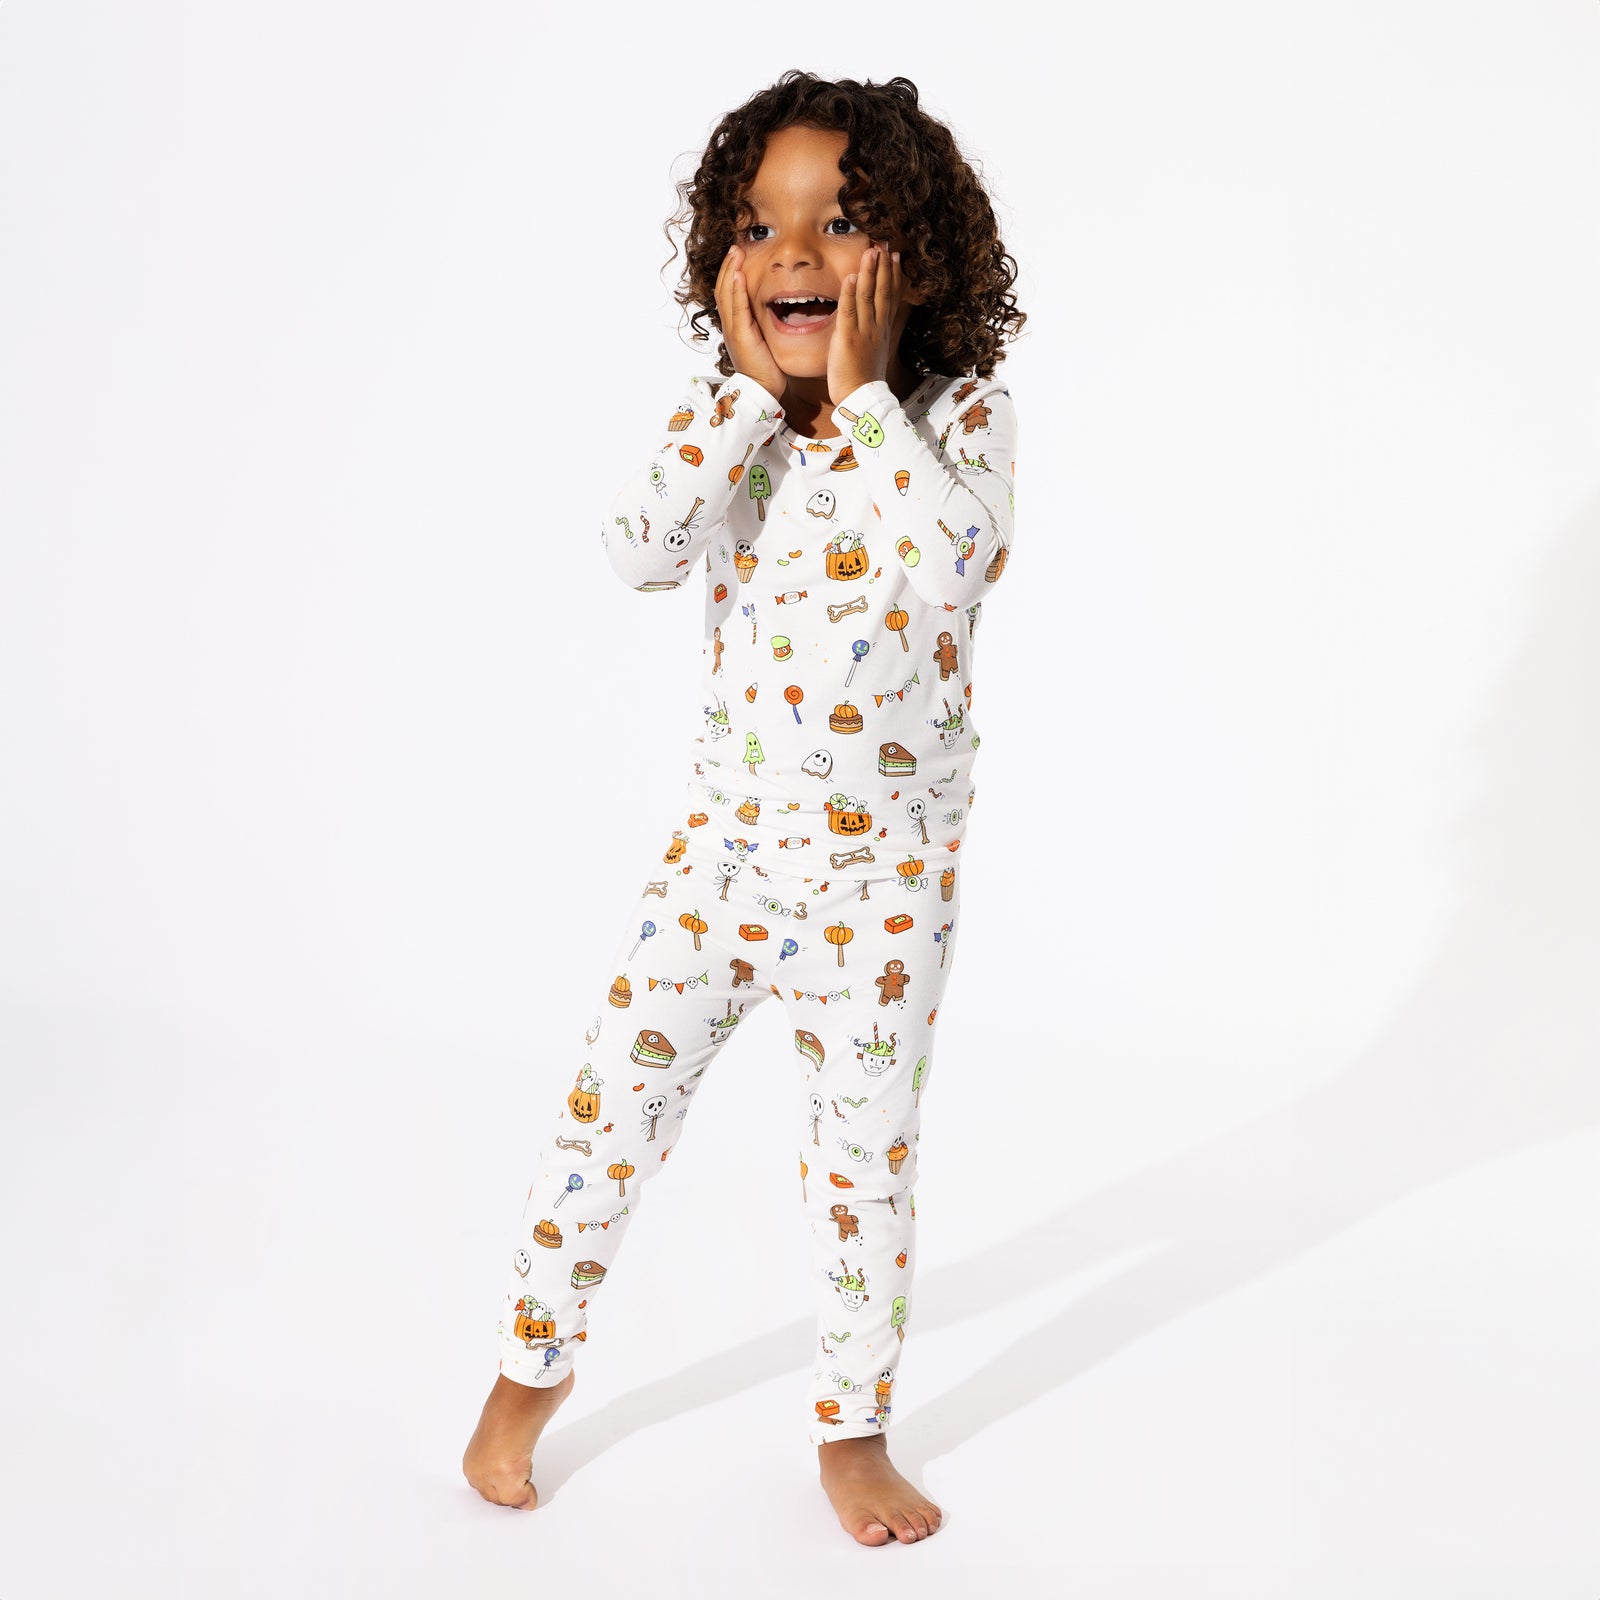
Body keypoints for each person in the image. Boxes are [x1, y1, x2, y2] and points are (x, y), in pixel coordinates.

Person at [462, 70, 1025, 1546]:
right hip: (720, 869)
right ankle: (525, 1376)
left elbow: (957, 567)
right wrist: (748, 396)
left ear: (916, 255)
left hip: (882, 892)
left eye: (839, 223)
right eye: (760, 228)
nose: (795, 255)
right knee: (608, 1122)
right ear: (724, 263)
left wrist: (862, 399)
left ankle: (853, 1432)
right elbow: (638, 550)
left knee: (863, 1174)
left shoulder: (955, 417)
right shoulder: (732, 427)